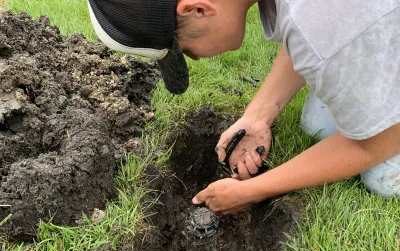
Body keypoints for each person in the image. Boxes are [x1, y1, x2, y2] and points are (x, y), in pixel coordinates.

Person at [88, 0, 400, 215]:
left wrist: (254, 190)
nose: (196, 58)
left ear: (198, 8)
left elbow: (380, 142)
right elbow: (309, 38)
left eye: (186, 51)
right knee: (317, 124)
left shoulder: (316, 22)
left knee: (382, 178)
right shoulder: (313, 19)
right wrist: (258, 114)